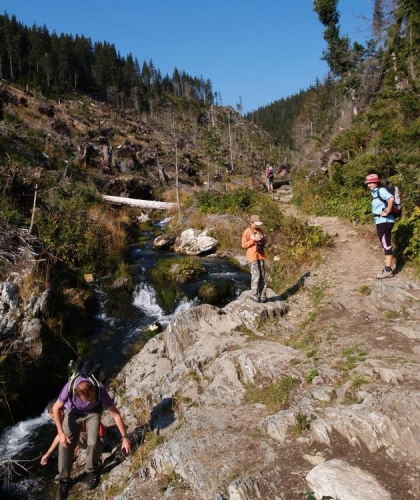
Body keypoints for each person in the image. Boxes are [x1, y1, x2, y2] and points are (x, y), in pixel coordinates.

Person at [51, 376, 131, 500]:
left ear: (93, 390)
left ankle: (92, 470)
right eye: (86, 399)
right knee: (65, 444)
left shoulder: (100, 389)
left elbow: (115, 414)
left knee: (93, 442)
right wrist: (61, 433)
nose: (89, 401)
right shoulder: (69, 388)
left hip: (93, 412)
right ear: (77, 394)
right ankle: (63, 481)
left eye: (91, 398)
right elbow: (56, 409)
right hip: (73, 412)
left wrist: (125, 437)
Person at [40, 401, 106, 466]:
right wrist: (48, 453)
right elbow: (60, 435)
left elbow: (69, 435)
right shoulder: (67, 417)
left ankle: (95, 456)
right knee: (67, 437)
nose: (54, 420)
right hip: (90, 437)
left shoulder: (71, 418)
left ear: (61, 412)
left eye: (54, 417)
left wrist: (48, 453)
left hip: (99, 439)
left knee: (69, 435)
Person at [365, 173, 395, 278]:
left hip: (385, 220)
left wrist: (387, 211)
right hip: (381, 221)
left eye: (370, 183)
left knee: (386, 243)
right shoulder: (375, 192)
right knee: (385, 243)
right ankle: (388, 268)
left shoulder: (381, 190)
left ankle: (388, 270)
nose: (368, 185)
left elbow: (391, 199)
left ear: (376, 182)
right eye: (368, 183)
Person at [241, 214, 267, 302]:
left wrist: (262, 239)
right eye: (256, 224)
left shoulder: (260, 230)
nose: (257, 226)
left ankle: (262, 296)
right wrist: (253, 240)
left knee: (263, 276)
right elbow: (243, 245)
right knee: (256, 275)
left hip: (261, 255)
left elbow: (265, 241)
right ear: (251, 222)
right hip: (252, 256)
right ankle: (254, 295)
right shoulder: (247, 231)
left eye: (258, 224)